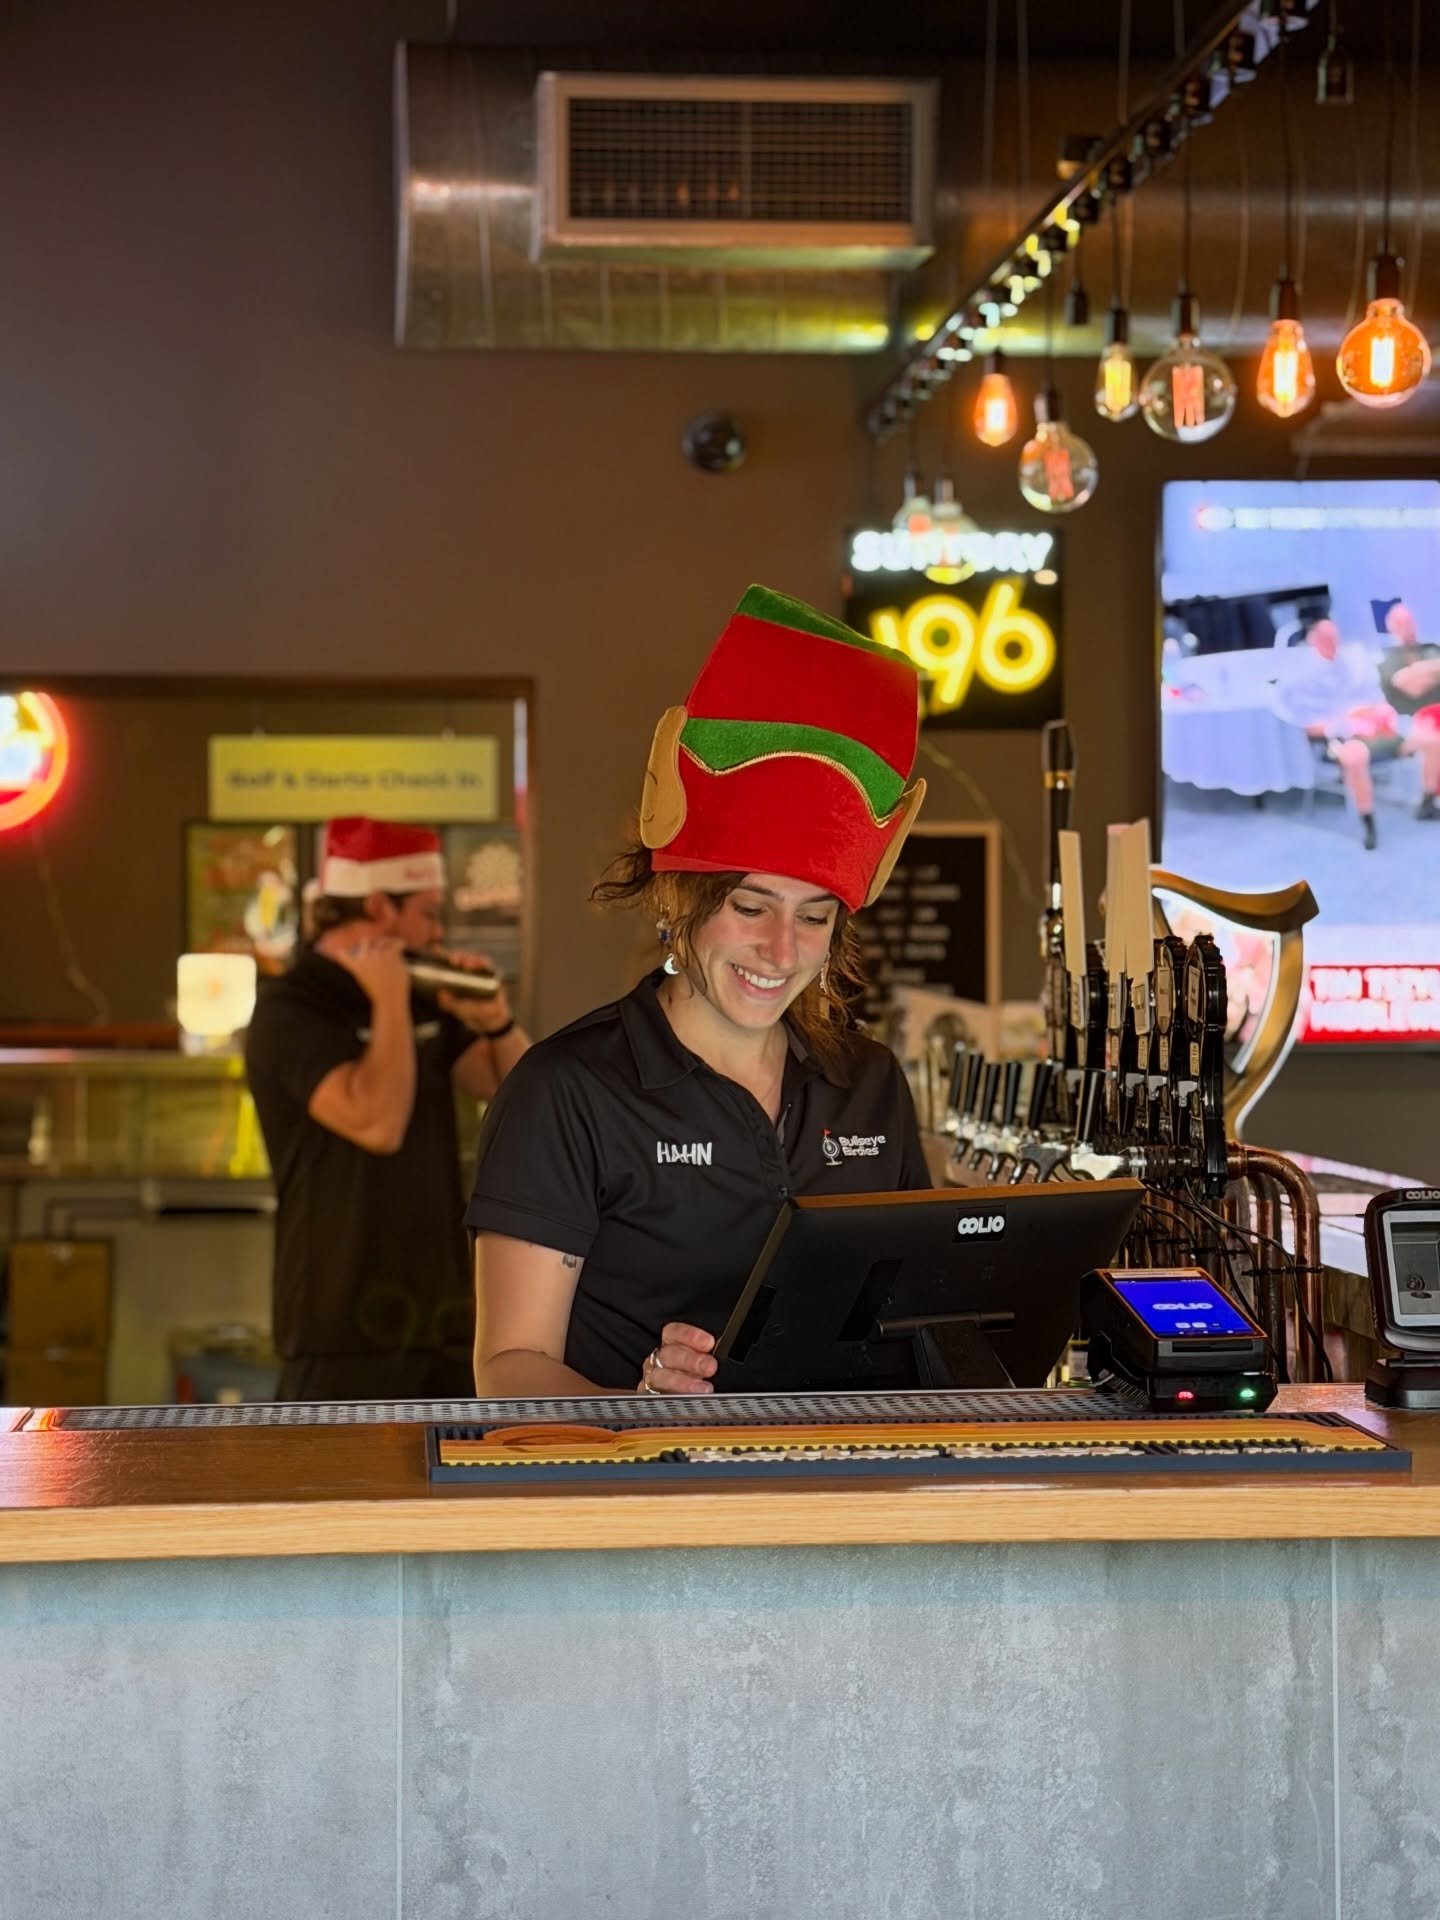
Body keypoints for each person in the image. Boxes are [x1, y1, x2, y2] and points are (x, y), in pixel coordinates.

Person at [465, 583, 932, 1398]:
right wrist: (639, 1412)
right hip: (644, 1513)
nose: (780, 950)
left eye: (814, 918)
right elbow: (507, 1369)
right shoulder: (567, 1091)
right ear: (681, 903)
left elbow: (920, 1319)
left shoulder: (869, 1086)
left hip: (846, 1505)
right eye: (750, 907)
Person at [245, 816, 530, 1401]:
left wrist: (496, 1022)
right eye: (428, 912)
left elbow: (530, 1104)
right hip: (340, 1328)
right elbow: (378, 1123)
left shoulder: (427, 993)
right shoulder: (292, 1007)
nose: (438, 930)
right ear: (378, 908)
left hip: (445, 1320)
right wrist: (390, 1001)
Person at [1268, 617, 1393, 849]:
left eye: (1334, 637)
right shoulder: (1299, 676)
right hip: (1335, 736)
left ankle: (1428, 799)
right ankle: (1368, 822)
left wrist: (1371, 714)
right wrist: (1339, 724)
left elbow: (1373, 698)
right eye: (1325, 638)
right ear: (1312, 639)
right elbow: (1299, 718)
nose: (1332, 643)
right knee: (1354, 757)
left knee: (1427, 735)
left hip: (1368, 726)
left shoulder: (1353, 661)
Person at [1377, 602, 1440, 824]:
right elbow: (1411, 688)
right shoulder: (1386, 657)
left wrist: (1418, 671)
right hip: (1408, 719)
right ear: (1391, 626)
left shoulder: (1430, 648)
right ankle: (1428, 799)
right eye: (1401, 623)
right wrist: (1432, 670)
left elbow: (1415, 680)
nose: (1407, 627)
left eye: (1410, 621)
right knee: (1434, 739)